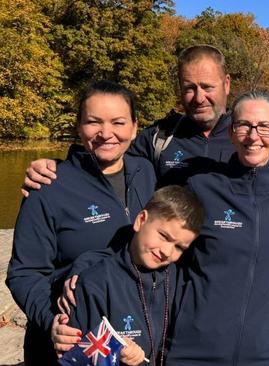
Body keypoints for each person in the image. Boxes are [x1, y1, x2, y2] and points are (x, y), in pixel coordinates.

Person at [6, 80, 156, 365]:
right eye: (93, 122)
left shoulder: (147, 173)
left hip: (130, 344)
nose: (106, 133)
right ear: (79, 126)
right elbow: (24, 272)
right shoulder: (49, 186)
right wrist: (51, 323)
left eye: (118, 122)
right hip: (71, 345)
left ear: (135, 127)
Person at [166, 90, 269, 366]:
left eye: (264, 127)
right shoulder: (201, 188)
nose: (253, 136)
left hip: (265, 352)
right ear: (232, 133)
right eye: (243, 125)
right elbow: (155, 250)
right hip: (194, 349)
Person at [22, 44, 235, 191]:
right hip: (168, 254)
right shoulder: (159, 138)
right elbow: (106, 156)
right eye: (189, 88)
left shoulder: (249, 136)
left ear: (226, 84)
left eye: (207, 87)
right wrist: (55, 169)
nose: (198, 98)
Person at [66, 185, 203, 366]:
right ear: (140, 220)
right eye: (163, 236)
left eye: (179, 247)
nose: (167, 252)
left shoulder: (178, 280)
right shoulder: (95, 283)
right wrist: (117, 353)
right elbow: (80, 356)